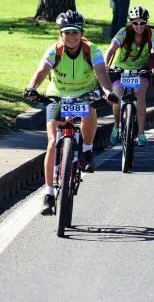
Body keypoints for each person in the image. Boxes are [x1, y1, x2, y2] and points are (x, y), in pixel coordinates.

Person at [23, 11, 119, 215]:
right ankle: (49, 193)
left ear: (82, 33)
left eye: (75, 32)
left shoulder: (91, 50)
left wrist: (108, 92)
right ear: (61, 34)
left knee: (90, 108)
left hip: (85, 92)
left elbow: (101, 73)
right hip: (58, 95)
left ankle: (87, 150)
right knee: (52, 143)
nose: (71, 36)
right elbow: (41, 71)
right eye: (66, 33)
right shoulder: (54, 51)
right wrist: (31, 88)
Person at [105, 6, 154, 147]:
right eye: (135, 23)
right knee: (117, 96)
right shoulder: (124, 32)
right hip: (120, 69)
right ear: (131, 23)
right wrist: (106, 65)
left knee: (139, 94)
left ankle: (141, 132)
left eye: (142, 23)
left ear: (146, 22)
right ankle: (116, 127)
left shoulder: (152, 34)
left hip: (141, 71)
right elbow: (110, 50)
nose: (139, 26)